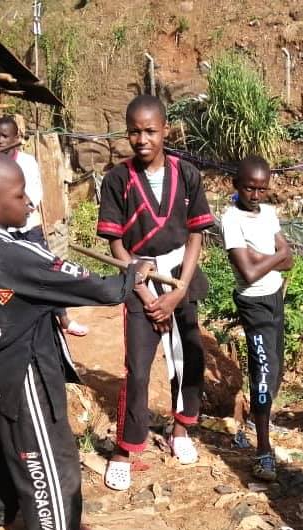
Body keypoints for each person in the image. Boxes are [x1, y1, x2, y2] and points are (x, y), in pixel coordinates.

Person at [0, 151, 149, 530]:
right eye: (20, 195)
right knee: (51, 456)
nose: (30, 202)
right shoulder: (19, 256)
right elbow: (96, 288)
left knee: (8, 439)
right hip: (27, 369)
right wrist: (132, 274)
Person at [96, 95, 214, 488]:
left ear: (166, 130)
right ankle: (126, 447)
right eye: (134, 131)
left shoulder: (188, 174)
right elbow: (116, 244)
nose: (141, 138)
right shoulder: (117, 179)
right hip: (138, 276)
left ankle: (181, 429)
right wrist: (146, 295)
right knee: (138, 368)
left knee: (189, 356)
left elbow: (196, 234)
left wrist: (178, 292)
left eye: (150, 130)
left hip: (181, 274)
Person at [221, 156, 293, 481]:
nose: (256, 194)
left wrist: (264, 257)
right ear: (236, 184)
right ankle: (263, 451)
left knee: (276, 371)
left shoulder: (269, 214)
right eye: (250, 187)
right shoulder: (230, 219)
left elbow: (288, 260)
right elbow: (248, 273)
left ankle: (257, 416)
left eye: (262, 189)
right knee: (264, 373)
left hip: (276, 298)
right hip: (253, 304)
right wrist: (273, 257)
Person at [0, 115, 88, 338]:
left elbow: (32, 199)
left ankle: (64, 319)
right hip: (6, 233)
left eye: (4, 136)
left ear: (17, 138)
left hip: (30, 230)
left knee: (47, 273)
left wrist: (9, 181)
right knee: (7, 278)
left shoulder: (27, 163)